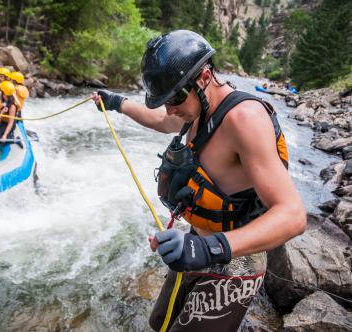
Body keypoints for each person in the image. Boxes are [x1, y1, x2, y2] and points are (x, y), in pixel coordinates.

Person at [93, 30, 306, 332]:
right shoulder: (193, 108)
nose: (170, 109)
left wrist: (206, 250)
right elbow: (161, 121)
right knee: (160, 324)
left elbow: (293, 215)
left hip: (236, 260)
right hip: (196, 243)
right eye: (165, 100)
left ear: (205, 76)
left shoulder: (244, 120)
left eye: (176, 97)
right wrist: (115, 102)